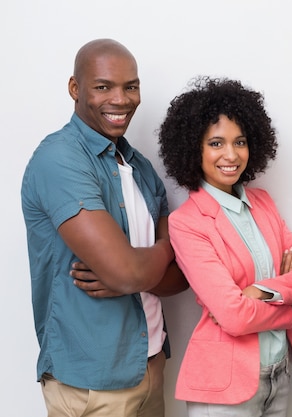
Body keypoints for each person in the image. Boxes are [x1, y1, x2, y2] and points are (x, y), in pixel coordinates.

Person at [21, 39, 188, 417]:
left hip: (150, 366)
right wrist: (159, 254)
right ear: (75, 89)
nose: (122, 98)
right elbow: (128, 270)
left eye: (131, 86)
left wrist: (137, 270)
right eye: (103, 86)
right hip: (91, 385)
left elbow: (182, 277)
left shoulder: (140, 166)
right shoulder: (59, 159)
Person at [158, 76, 292, 417]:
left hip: (279, 374)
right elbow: (232, 316)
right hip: (224, 386)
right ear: (193, 149)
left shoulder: (263, 202)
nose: (231, 155)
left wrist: (260, 291)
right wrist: (287, 308)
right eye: (216, 143)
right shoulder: (187, 223)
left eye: (240, 142)